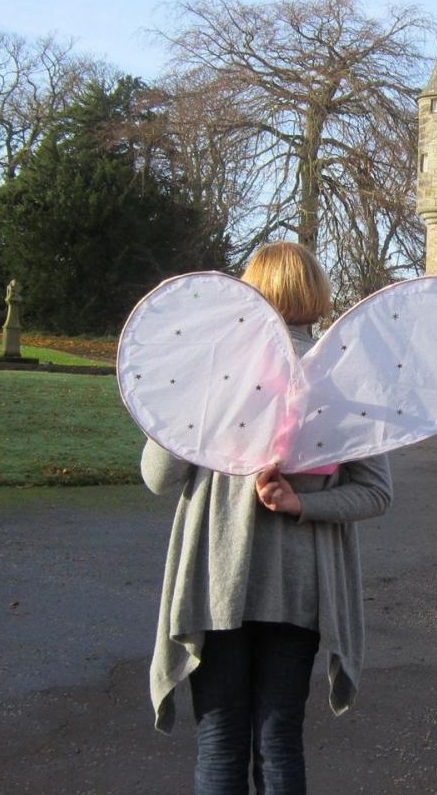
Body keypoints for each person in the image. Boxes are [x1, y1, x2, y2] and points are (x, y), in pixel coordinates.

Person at [141, 241, 392, 795]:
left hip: (216, 582)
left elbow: (159, 476)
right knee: (280, 744)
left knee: (220, 740)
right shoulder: (344, 380)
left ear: (250, 291)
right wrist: (306, 505)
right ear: (317, 294)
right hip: (302, 591)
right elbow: (375, 493)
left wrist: (185, 396)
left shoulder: (215, 369)